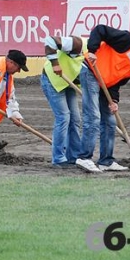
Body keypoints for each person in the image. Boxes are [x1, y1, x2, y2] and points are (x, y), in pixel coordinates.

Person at [75, 25, 130, 173]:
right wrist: (92, 51)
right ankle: (84, 158)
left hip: (105, 84)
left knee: (110, 121)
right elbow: (99, 30)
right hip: (91, 72)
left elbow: (117, 82)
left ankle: (106, 161)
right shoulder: (128, 41)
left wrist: (114, 101)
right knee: (93, 117)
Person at [41, 34, 85, 168]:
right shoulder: (78, 44)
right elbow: (50, 41)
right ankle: (58, 158)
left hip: (68, 83)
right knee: (64, 117)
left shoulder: (99, 59)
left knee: (76, 119)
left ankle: (74, 156)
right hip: (52, 80)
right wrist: (55, 64)